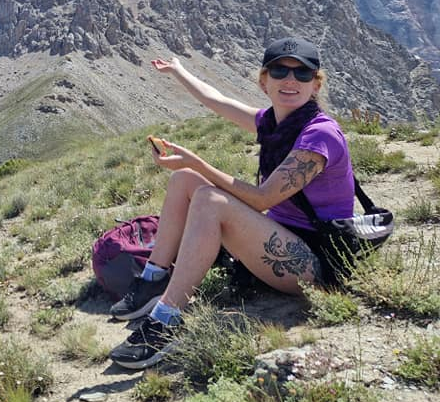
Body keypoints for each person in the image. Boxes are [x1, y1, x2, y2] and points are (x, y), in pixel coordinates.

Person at [108, 37, 356, 370]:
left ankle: (167, 320)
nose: (290, 80)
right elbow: (216, 100)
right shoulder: (272, 123)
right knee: (183, 180)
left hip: (317, 264)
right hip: (282, 241)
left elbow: (264, 197)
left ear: (316, 84)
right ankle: (154, 278)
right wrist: (179, 70)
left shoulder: (319, 135)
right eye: (280, 71)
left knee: (208, 198)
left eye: (303, 73)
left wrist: (196, 162)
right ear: (264, 81)